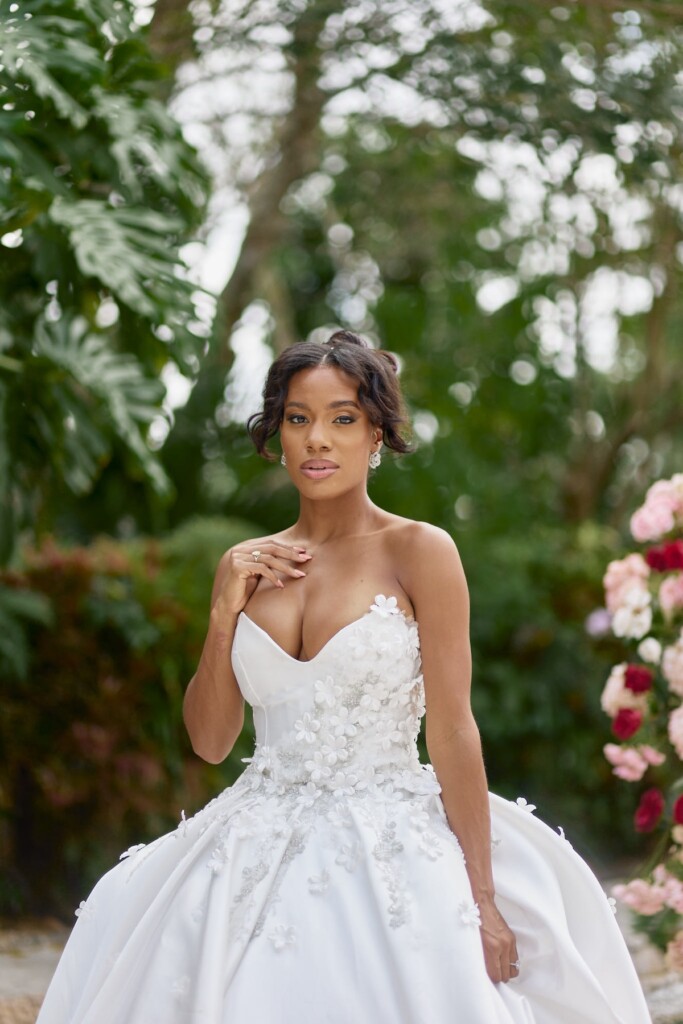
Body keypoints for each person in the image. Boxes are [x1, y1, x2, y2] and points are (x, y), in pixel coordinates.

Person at [37, 330, 650, 1024]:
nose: (317, 440)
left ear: (378, 434)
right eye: (297, 419)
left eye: (342, 418)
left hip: (390, 840)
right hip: (251, 834)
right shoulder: (246, 564)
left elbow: (451, 726)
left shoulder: (419, 551)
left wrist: (481, 897)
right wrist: (221, 615)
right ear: (276, 436)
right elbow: (211, 742)